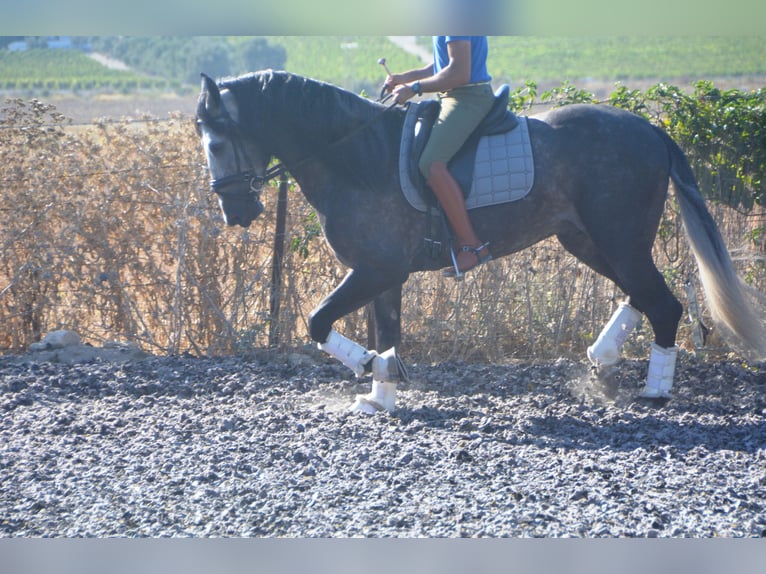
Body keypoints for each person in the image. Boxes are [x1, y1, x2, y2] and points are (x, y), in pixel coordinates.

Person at [385, 36, 494, 278]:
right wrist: (406, 78)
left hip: (467, 98)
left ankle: (472, 244)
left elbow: (459, 72)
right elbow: (442, 64)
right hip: (452, 97)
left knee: (431, 164)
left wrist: (415, 89)